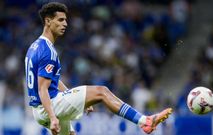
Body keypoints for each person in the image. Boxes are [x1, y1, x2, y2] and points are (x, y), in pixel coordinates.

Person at [24, 2, 173, 135]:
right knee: (102, 92)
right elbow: (42, 89)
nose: (65, 24)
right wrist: (52, 116)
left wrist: (80, 99)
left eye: (66, 20)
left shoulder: (34, 47)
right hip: (49, 107)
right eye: (60, 20)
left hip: (41, 108)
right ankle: (144, 121)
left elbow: (52, 81)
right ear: (48, 21)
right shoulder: (47, 51)